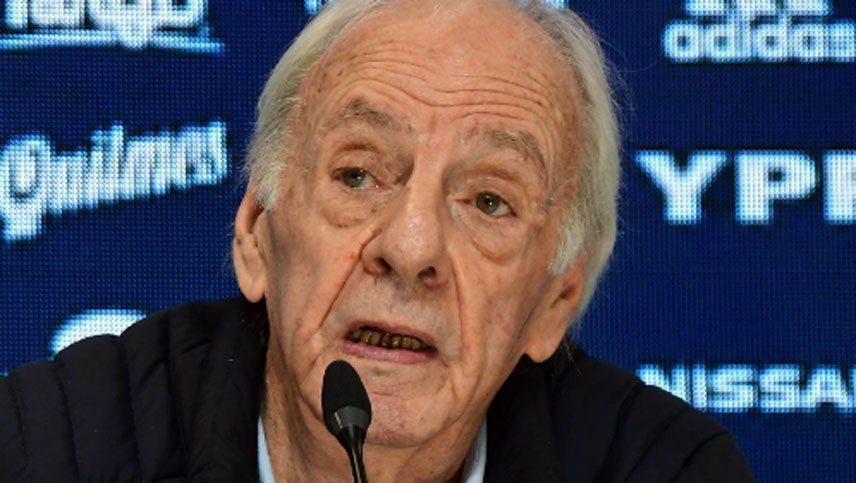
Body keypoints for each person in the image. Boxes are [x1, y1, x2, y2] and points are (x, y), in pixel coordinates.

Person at [0, 0, 755, 481]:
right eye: (358, 175)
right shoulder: (48, 449)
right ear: (257, 234)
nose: (412, 246)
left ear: (554, 302)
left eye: (489, 200)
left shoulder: (662, 470)